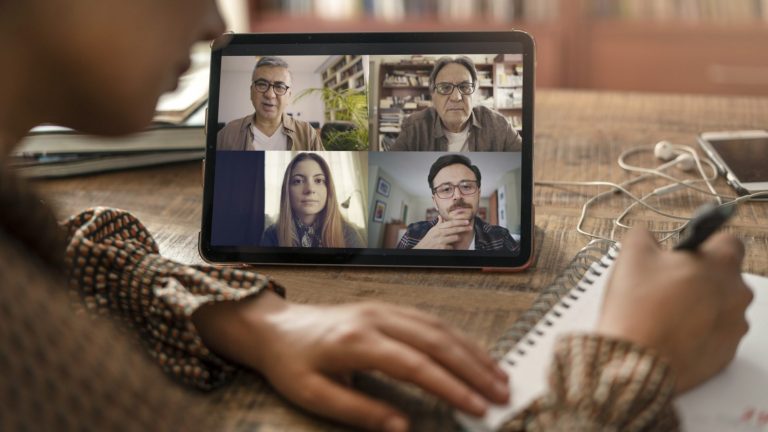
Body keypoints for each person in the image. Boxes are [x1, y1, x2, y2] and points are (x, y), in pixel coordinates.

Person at [0, 1, 753, 431]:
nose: (210, 26)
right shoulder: (25, 347)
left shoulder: (495, 140)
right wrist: (627, 359)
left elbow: (78, 246)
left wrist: (243, 315)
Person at [390, 56, 522, 152]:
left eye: (464, 87)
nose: (456, 97)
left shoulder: (499, 126)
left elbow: (526, 162)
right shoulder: (414, 128)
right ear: (433, 95)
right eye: (445, 88)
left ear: (474, 93)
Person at [397, 155, 519, 253]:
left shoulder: (501, 237)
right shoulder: (413, 234)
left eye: (466, 186)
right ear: (435, 202)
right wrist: (417, 253)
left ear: (478, 194)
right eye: (446, 189)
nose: (458, 196)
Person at [217, 56, 324, 151]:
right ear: (251, 91)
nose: (270, 94)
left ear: (288, 96)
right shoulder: (228, 134)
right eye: (262, 84)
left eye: (279, 87)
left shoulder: (307, 134)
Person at [261, 152, 365, 248]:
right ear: (287, 190)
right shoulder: (272, 235)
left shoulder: (349, 234)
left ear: (328, 189)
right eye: (298, 181)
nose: (310, 189)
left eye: (319, 180)